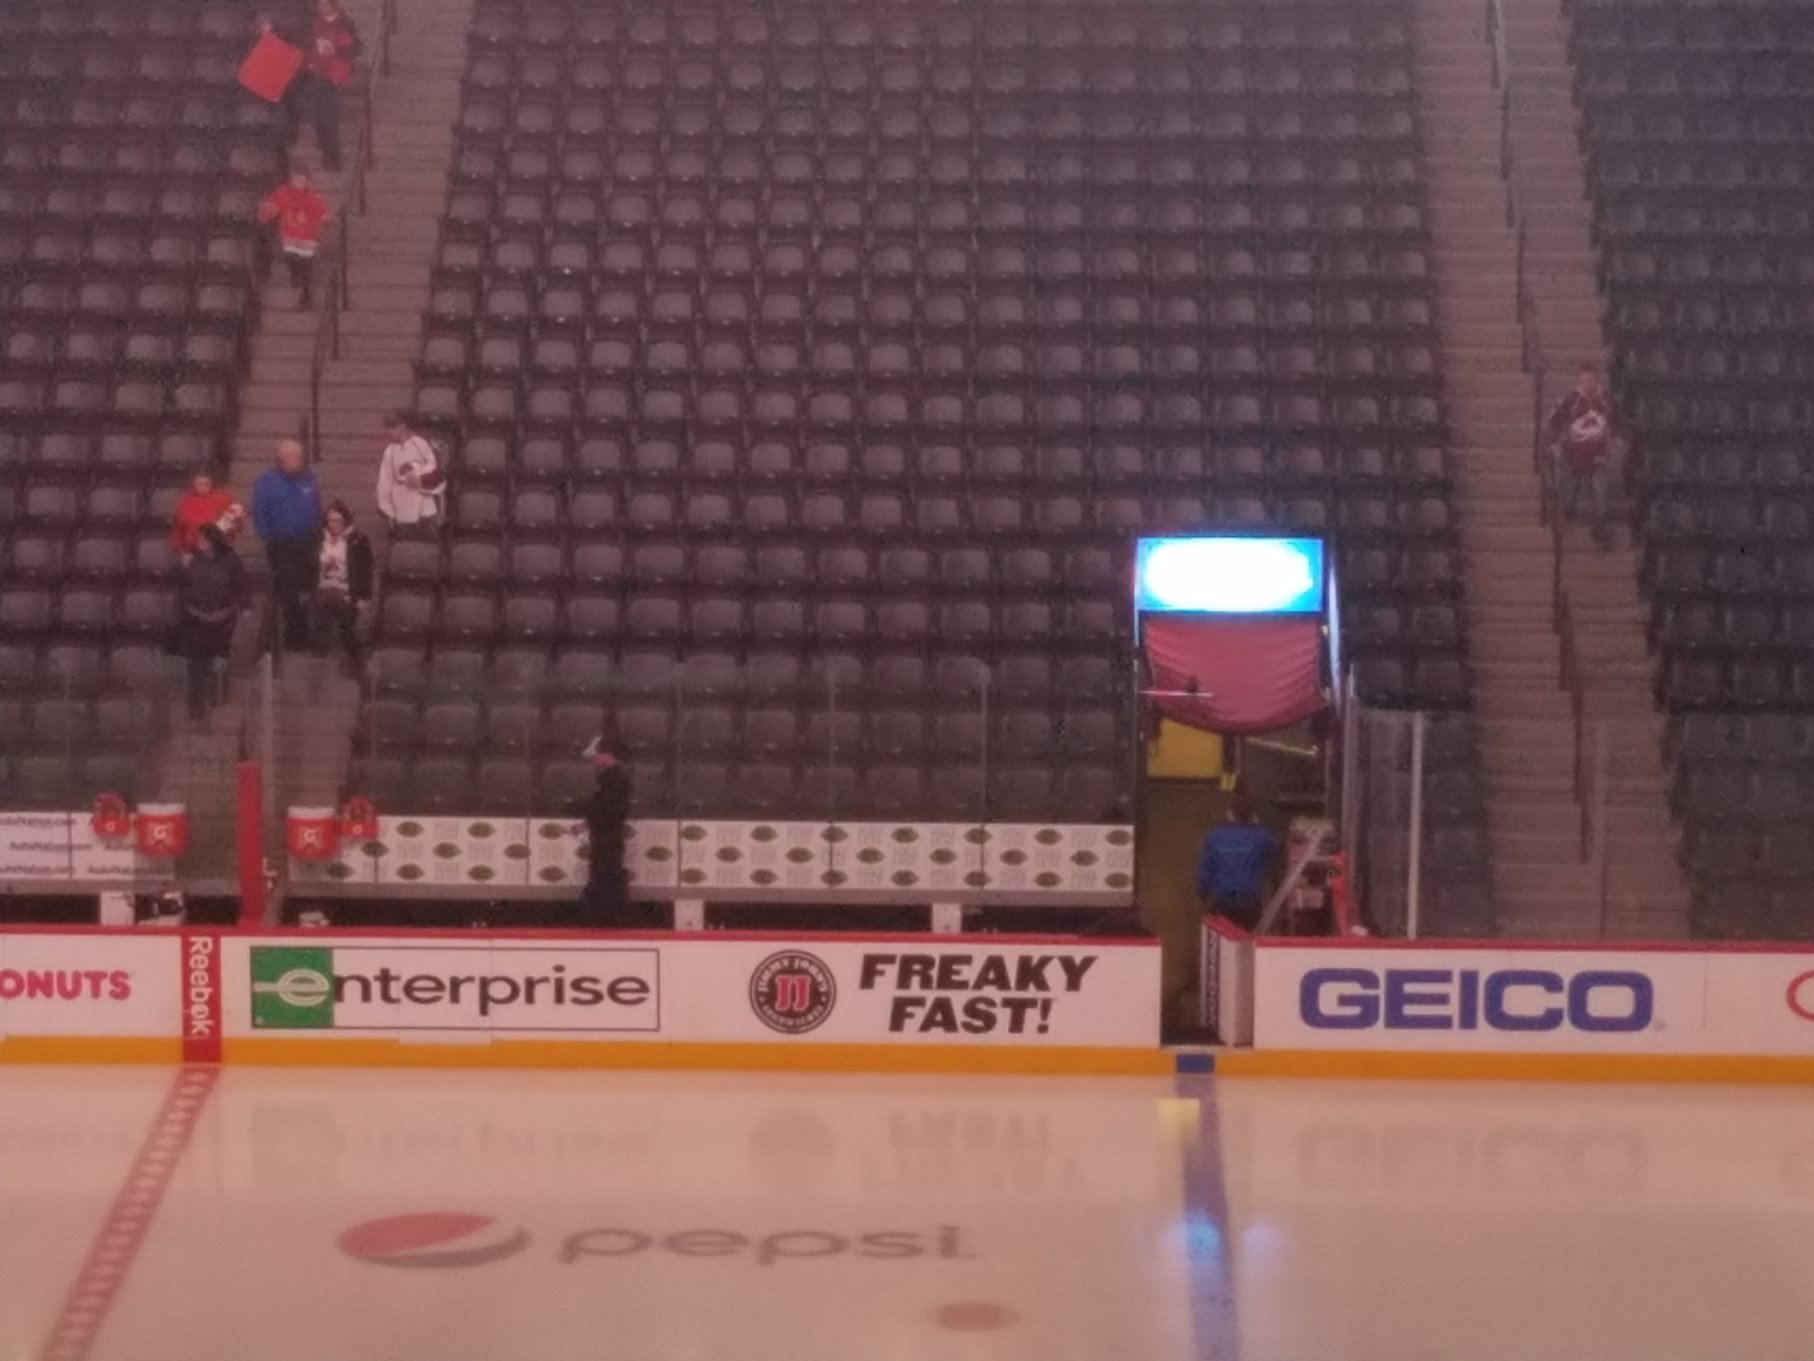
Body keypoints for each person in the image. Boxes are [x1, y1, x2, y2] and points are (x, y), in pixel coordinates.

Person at [251, 440, 323, 658]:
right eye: (291, 457)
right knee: (290, 588)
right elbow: (259, 512)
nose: (295, 461)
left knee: (311, 587)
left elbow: (316, 506)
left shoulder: (310, 479)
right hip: (281, 544)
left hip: (308, 542)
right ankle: (294, 636)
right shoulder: (266, 482)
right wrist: (267, 536)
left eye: (298, 457)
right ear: (280, 459)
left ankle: (311, 633)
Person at [170, 524, 248, 720]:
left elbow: (241, 584)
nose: (199, 542)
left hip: (222, 619)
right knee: (195, 665)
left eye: (203, 539)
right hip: (195, 618)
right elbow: (180, 585)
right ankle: (196, 709)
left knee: (219, 663)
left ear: (213, 540)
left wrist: (245, 607)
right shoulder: (191, 559)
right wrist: (182, 567)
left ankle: (218, 702)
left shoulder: (230, 559)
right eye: (199, 539)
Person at [1544, 362, 1623, 550]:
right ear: (1579, 381)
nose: (1588, 384)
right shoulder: (1570, 401)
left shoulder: (1607, 401)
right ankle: (1567, 516)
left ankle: (1601, 535)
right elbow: (1554, 424)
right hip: (1574, 455)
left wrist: (1617, 444)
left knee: (1601, 498)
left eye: (1591, 380)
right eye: (1584, 380)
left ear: (1596, 380)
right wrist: (1553, 444)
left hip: (1599, 457)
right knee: (1568, 499)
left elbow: (1620, 425)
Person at [1195, 795, 1278, 933]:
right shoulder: (1262, 836)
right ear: (1252, 815)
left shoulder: (1215, 836)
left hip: (1221, 902)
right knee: (1247, 942)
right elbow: (1274, 856)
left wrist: (1202, 897)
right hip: (1249, 903)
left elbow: (1204, 872)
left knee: (1223, 943)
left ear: (1229, 813)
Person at [310, 500, 373, 678]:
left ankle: (356, 668)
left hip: (346, 591)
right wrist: (322, 565)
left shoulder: (358, 541)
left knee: (346, 622)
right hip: (323, 588)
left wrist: (363, 597)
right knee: (320, 615)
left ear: (345, 521)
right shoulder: (318, 540)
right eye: (330, 520)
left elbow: (365, 570)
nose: (334, 525)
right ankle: (319, 666)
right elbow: (310, 567)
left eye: (338, 521)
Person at [577, 738, 633, 927]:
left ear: (607, 756)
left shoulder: (614, 781)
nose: (593, 761)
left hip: (607, 836)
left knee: (605, 873)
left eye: (596, 756)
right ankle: (605, 915)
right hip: (606, 835)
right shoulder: (612, 779)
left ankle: (606, 917)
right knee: (605, 873)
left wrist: (591, 822)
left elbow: (608, 810)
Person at [257, 171, 330, 308]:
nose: (299, 183)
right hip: (289, 237)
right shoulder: (283, 193)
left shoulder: (312, 198)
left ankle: (306, 296)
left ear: (307, 182)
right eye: (296, 179)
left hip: (307, 239)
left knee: (306, 267)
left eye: (302, 180)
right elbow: (271, 207)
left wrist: (324, 220)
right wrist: (265, 214)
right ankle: (297, 282)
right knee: (291, 258)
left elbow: (322, 214)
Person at [304, 0, 361, 171]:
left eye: (325, 5)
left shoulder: (345, 22)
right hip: (318, 73)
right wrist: (310, 61)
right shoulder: (315, 23)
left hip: (335, 76)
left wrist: (336, 48)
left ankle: (334, 157)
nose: (322, 8)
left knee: (329, 120)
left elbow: (355, 47)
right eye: (320, 5)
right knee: (318, 120)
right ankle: (326, 154)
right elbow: (309, 45)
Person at [375, 412, 444, 531]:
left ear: (402, 426)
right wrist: (388, 511)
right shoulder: (389, 452)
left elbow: (433, 466)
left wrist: (419, 477)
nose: (390, 433)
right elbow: (385, 482)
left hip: (424, 504)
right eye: (388, 429)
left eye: (392, 428)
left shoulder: (420, 443)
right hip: (402, 506)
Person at [169, 470, 240, 558]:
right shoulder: (186, 502)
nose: (203, 487)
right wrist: (182, 550)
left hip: (219, 546)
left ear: (211, 484)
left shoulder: (223, 498)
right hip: (193, 547)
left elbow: (236, 515)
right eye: (199, 484)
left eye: (206, 484)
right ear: (194, 484)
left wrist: (228, 535)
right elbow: (179, 527)